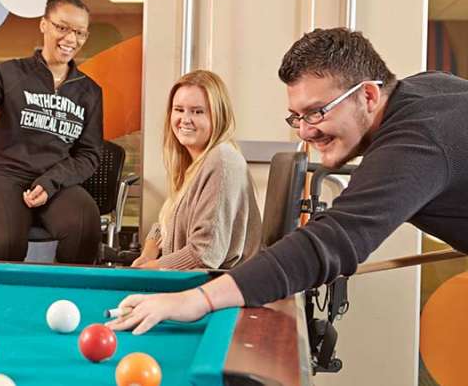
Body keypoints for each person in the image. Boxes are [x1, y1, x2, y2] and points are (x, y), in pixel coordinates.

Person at [108, 27, 468, 335]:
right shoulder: (425, 90)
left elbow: (330, 242)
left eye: (316, 112)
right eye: (296, 116)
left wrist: (197, 300)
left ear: (369, 95)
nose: (306, 131)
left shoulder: (418, 141)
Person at [0, 0, 103, 264]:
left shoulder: (89, 91)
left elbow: (89, 154)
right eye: (62, 27)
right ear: (44, 25)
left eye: (79, 33)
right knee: (7, 242)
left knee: (84, 226)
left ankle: (66, 300)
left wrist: (50, 182)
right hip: (2, 176)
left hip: (55, 182)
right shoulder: (9, 73)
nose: (71, 39)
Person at [131, 70, 261, 270]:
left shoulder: (222, 161)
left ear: (218, 115)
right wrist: (149, 253)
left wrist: (147, 271)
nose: (185, 119)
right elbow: (167, 222)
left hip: (217, 290)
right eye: (179, 109)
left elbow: (204, 254)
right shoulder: (193, 163)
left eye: (197, 111)